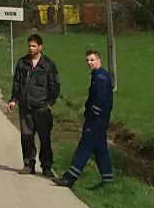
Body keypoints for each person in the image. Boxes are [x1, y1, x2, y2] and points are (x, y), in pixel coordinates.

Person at [55, 49, 113, 186]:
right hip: (101, 120)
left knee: (84, 147)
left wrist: (91, 114)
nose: (89, 63)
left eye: (92, 60)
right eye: (87, 60)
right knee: (100, 149)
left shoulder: (100, 78)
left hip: (96, 120)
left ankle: (70, 178)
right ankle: (108, 180)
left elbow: (100, 100)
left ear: (99, 60)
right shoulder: (98, 75)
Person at [7, 34, 60, 174]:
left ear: (40, 47)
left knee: (44, 137)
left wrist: (49, 103)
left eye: (34, 46)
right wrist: (13, 99)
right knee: (27, 136)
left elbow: (55, 86)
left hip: (42, 108)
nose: (31, 48)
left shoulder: (48, 65)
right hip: (26, 107)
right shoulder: (22, 63)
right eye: (29, 45)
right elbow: (17, 83)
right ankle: (28, 164)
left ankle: (46, 167)